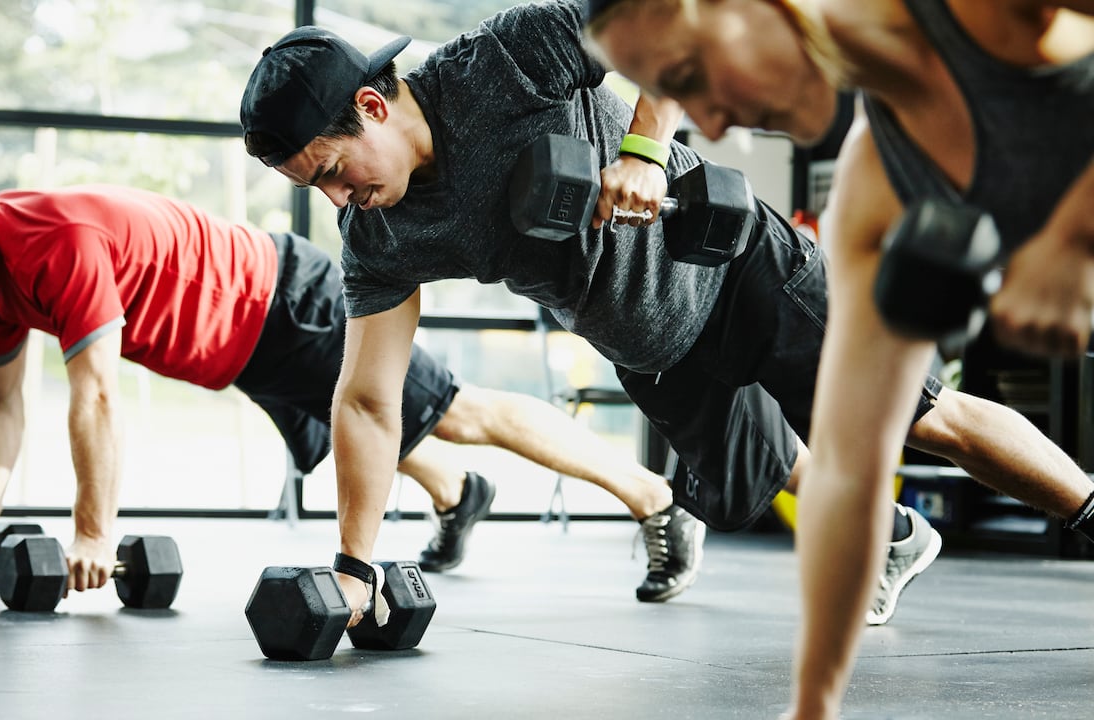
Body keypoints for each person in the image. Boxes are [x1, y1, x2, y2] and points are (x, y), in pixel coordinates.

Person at [237, 0, 1092, 640]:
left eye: (335, 170)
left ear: (374, 107)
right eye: (316, 188)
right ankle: (897, 537)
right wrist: (355, 565)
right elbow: (366, 400)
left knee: (922, 419)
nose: (339, 198)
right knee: (748, 486)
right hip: (649, 346)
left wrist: (645, 148)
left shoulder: (499, 63)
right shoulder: (380, 236)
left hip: (738, 273)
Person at [0, 141, 693, 599]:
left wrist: (95, 534)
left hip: (285, 303)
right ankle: (455, 493)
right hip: (243, 349)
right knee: (378, 437)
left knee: (455, 411)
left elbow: (94, 395)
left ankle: (656, 499)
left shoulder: (55, 243)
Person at [583, 0, 1094, 717]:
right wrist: (813, 705)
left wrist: (1071, 240)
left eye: (691, 74)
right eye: (684, 99)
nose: (718, 126)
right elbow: (851, 472)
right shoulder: (874, 188)